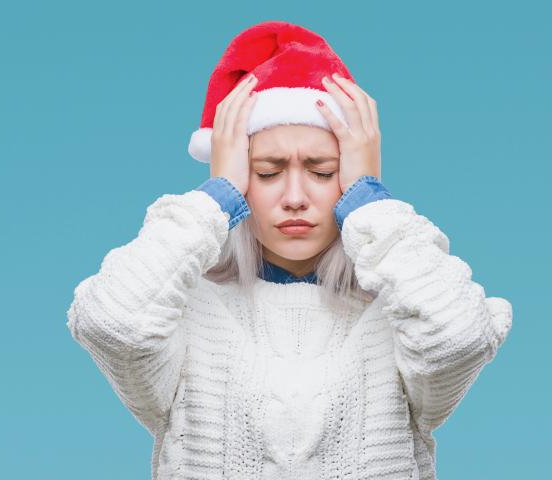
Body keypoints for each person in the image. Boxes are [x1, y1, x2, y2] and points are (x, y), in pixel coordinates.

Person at [66, 20, 512, 480]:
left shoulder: (402, 313)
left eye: (322, 171)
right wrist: (217, 196)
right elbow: (112, 323)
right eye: (266, 171)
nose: (295, 196)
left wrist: (368, 200)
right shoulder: (182, 313)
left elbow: (460, 337)